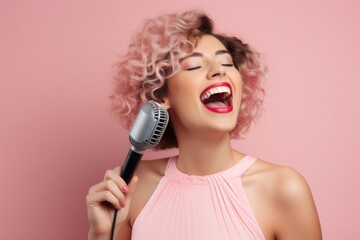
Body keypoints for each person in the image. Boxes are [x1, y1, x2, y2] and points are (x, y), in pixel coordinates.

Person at [86, 10, 322, 240]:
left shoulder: (284, 189)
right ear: (160, 96)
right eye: (195, 66)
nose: (219, 70)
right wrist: (101, 235)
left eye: (227, 63)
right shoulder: (134, 184)